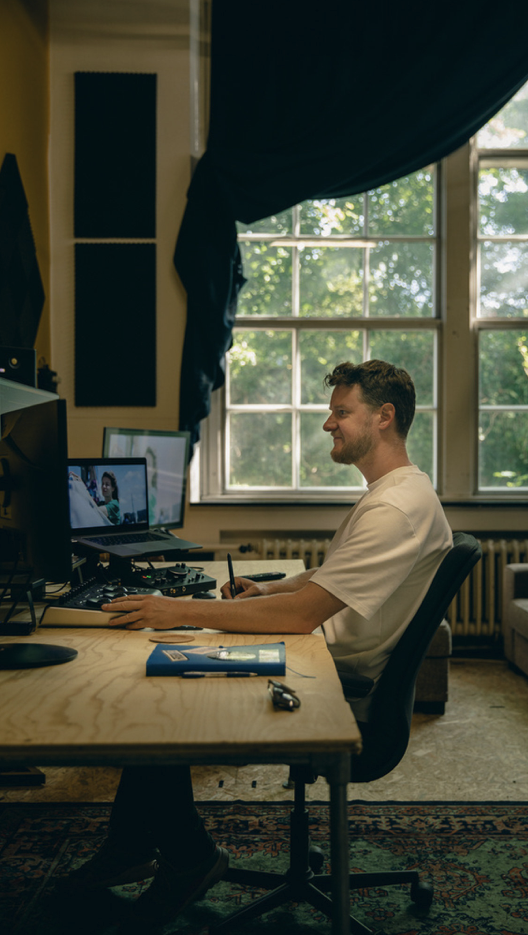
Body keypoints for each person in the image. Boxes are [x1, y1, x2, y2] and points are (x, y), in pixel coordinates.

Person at [62, 359, 452, 931]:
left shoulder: (394, 507)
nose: (328, 425)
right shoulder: (396, 492)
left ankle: (189, 857)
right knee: (165, 669)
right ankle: (130, 846)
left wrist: (178, 609)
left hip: (326, 678)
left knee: (157, 690)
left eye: (341, 413)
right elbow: (328, 578)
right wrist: (266, 587)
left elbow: (301, 615)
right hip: (318, 652)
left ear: (385, 417)